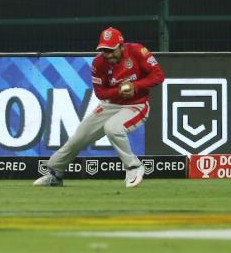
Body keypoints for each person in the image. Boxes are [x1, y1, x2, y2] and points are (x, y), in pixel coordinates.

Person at [33, 27, 165, 188]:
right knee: (78, 139)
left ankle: (133, 167)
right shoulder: (98, 63)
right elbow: (101, 93)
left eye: (111, 50)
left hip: (136, 105)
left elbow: (158, 76)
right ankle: (55, 174)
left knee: (113, 128)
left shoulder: (138, 51)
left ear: (121, 45)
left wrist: (135, 86)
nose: (108, 55)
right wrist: (119, 90)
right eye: (104, 50)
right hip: (109, 105)